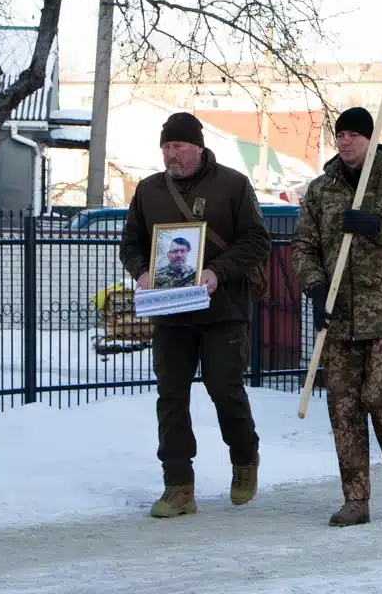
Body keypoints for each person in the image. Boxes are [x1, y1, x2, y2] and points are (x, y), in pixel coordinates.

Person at [119, 112, 272, 518]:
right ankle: (178, 486)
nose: (171, 154)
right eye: (166, 147)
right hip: (170, 313)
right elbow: (130, 243)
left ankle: (244, 457)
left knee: (224, 388)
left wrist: (218, 272)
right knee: (171, 397)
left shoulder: (233, 184)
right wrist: (142, 270)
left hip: (223, 310)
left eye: (179, 146)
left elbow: (258, 240)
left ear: (198, 147)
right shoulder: (149, 190)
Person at [292, 106, 382, 527]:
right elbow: (303, 246)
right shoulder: (322, 190)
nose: (346, 141)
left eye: (354, 134)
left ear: (370, 140)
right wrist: (316, 287)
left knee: (380, 397)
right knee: (344, 408)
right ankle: (355, 497)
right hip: (340, 318)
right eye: (341, 135)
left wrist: (377, 225)